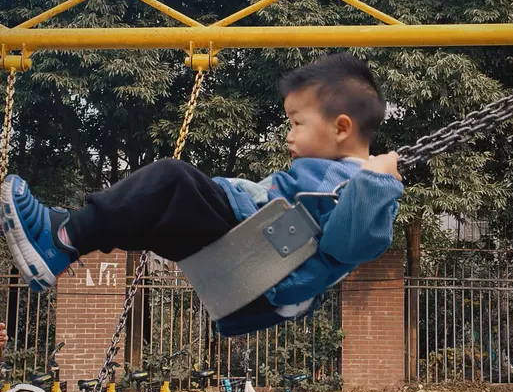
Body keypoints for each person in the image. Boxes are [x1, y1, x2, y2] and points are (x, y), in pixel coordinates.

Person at [0, 53, 404, 336]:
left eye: (297, 123)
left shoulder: (360, 181)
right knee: (152, 213)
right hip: (248, 250)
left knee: (172, 179)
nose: (289, 135)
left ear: (341, 128)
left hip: (260, 256)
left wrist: (378, 181)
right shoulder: (332, 173)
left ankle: (63, 236)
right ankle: (60, 245)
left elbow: (353, 245)